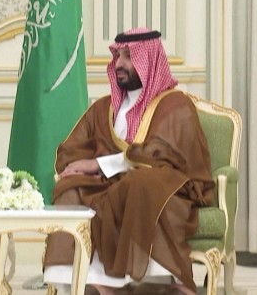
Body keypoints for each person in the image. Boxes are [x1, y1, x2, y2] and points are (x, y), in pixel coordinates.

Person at [43, 28, 214, 295]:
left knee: (140, 182)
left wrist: (100, 164)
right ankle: (84, 280)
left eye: (128, 57)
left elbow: (162, 155)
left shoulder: (175, 105)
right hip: (109, 184)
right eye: (117, 56)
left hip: (163, 189)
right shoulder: (105, 107)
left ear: (149, 61)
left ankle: (165, 283)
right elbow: (73, 148)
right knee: (69, 188)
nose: (118, 64)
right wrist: (82, 167)